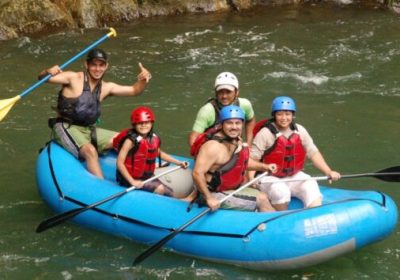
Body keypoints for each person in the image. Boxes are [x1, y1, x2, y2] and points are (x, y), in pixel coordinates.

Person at [38, 48, 152, 178]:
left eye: (101, 65)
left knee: (128, 139)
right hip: (65, 127)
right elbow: (43, 78)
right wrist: (48, 71)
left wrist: (143, 80)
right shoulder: (73, 78)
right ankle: (103, 187)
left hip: (89, 130)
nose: (97, 69)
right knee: (90, 151)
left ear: (106, 66)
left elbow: (134, 90)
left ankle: (141, 173)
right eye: (94, 65)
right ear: (86, 65)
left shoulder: (106, 87)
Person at [250, 96, 341, 211]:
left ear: (293, 115)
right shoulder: (265, 133)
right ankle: (282, 217)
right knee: (280, 190)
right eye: (280, 114)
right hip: (269, 177)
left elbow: (313, 153)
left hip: (293, 176)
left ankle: (315, 215)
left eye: (288, 114)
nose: (284, 118)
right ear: (274, 115)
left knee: (310, 183)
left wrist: (328, 171)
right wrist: (251, 180)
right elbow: (253, 159)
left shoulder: (300, 130)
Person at [192, 105, 277, 212]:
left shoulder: (236, 140)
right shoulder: (213, 146)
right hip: (213, 194)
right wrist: (209, 198)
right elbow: (197, 173)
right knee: (261, 199)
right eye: (229, 123)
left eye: (238, 123)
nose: (234, 127)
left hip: (230, 190)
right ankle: (274, 226)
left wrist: (265, 167)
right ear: (222, 124)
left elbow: (243, 162)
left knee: (264, 194)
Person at [114, 106, 189, 197]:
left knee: (170, 192)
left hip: (146, 176)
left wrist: (179, 163)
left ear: (151, 123)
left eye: (146, 122)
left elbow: (158, 153)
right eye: (140, 123)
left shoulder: (152, 138)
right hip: (129, 178)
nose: (144, 125)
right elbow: (119, 163)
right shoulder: (130, 141)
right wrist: (132, 181)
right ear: (134, 125)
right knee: (162, 190)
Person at [188, 72, 256, 147]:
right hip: (212, 149)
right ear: (216, 92)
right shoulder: (207, 110)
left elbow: (250, 120)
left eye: (228, 92)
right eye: (220, 92)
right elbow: (193, 137)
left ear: (237, 92)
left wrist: (249, 144)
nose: (224, 96)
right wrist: (201, 155)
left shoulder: (245, 104)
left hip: (234, 146)